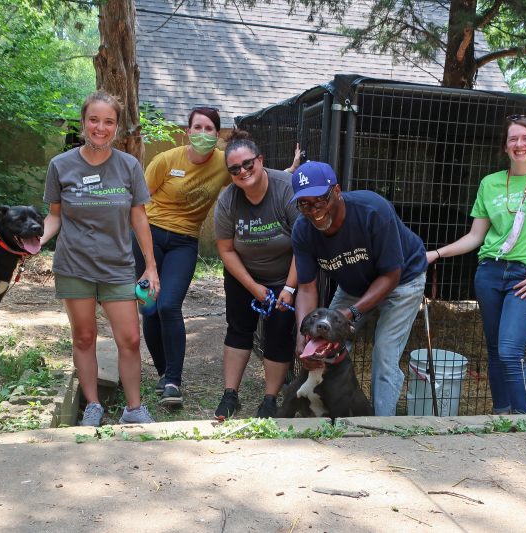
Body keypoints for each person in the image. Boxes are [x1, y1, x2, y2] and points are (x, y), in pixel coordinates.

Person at [427, 114, 526, 414]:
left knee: (510, 351)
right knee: (495, 350)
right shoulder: (490, 183)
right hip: (490, 273)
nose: (519, 144)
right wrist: (435, 254)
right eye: (513, 139)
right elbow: (475, 236)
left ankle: (524, 420)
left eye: (525, 138)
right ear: (505, 146)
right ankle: (501, 414)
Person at [41, 91, 158, 426]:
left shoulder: (129, 166)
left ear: (117, 126)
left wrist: (150, 265)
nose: (100, 127)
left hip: (118, 266)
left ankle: (134, 409)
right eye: (94, 119)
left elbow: (139, 218)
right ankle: (93, 405)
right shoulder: (61, 166)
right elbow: (54, 217)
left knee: (131, 339)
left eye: (108, 121)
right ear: (83, 121)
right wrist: (34, 242)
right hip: (74, 265)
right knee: (84, 336)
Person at [291, 161, 428, 417]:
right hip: (355, 283)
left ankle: (380, 426)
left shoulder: (372, 210)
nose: (314, 210)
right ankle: (323, 411)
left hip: (402, 278)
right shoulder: (302, 230)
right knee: (323, 341)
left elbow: (391, 274)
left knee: (384, 353)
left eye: (320, 199)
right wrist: (304, 336)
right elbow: (307, 288)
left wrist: (352, 311)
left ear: (337, 191)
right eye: (304, 204)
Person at [132, 106, 231, 407]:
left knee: (169, 305)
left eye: (209, 129)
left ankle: (174, 380)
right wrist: (147, 260)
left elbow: (252, 173)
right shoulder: (165, 160)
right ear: (187, 132)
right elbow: (137, 205)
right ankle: (164, 374)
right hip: (148, 237)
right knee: (149, 308)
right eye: (197, 128)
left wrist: (289, 173)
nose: (203, 134)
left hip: (184, 243)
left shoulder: (224, 163)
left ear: (218, 134)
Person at [212, 131, 299, 419]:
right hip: (244, 275)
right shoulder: (228, 200)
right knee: (238, 329)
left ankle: (270, 399)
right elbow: (225, 250)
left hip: (285, 276)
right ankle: (229, 395)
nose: (242, 172)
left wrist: (289, 288)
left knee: (278, 334)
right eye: (234, 169)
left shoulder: (285, 188)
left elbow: (303, 246)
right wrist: (252, 287)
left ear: (260, 160)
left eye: (248, 164)